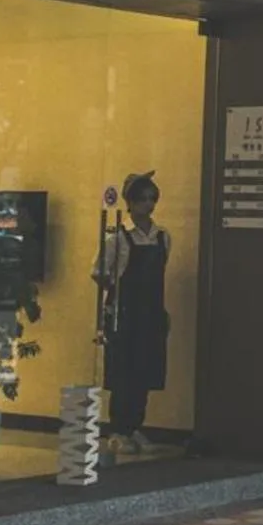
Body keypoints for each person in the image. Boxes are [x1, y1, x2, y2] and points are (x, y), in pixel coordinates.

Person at [96, 171, 171, 455]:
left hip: (151, 311)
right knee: (123, 371)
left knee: (146, 370)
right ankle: (118, 429)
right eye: (142, 199)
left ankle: (136, 425)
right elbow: (100, 272)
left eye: (152, 199)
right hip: (124, 311)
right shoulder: (117, 236)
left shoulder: (162, 237)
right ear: (130, 202)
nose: (148, 204)